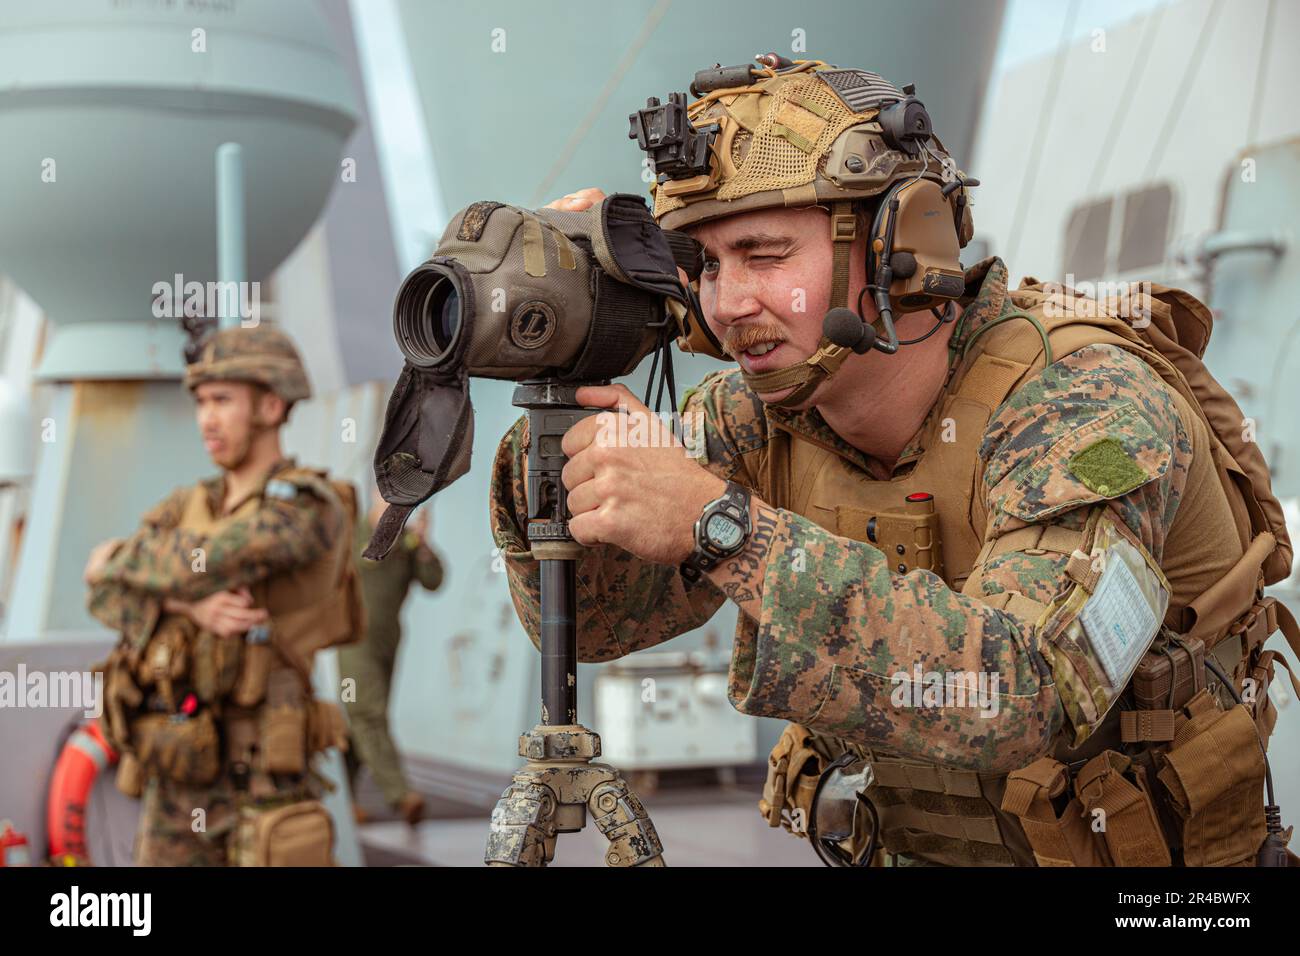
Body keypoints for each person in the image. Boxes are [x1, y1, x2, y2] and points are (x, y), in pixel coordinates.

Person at [489, 58, 1297, 866]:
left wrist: (722, 528)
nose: (728, 305)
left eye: (763, 256)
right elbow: (599, 618)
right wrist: (573, 364)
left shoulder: (1085, 402)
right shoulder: (757, 416)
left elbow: (1024, 693)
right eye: (702, 267)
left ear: (896, 246)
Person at [85, 324, 361, 866]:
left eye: (223, 400)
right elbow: (103, 597)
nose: (206, 418)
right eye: (201, 403)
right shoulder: (187, 502)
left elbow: (209, 559)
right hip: (178, 768)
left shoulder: (310, 506)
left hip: (263, 776)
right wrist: (185, 605)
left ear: (272, 404)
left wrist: (118, 559)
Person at [341, 489, 443, 826]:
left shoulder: (408, 542)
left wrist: (424, 545)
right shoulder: (354, 532)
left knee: (361, 720)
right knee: (367, 712)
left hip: (388, 642)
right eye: (386, 497)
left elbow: (434, 581)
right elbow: (363, 561)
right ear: (374, 497)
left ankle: (343, 799)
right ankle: (401, 796)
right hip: (354, 641)